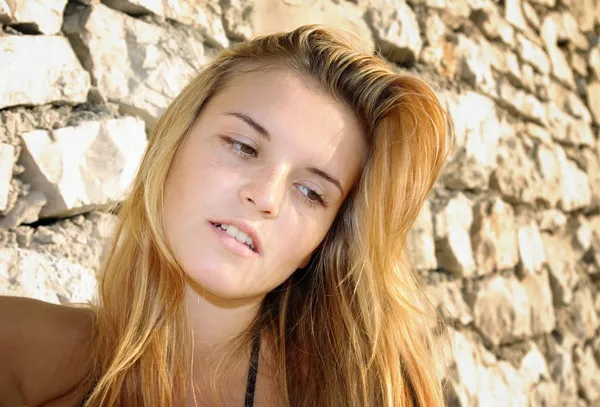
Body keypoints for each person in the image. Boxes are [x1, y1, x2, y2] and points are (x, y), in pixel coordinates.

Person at [0, 24, 452, 406]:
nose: (266, 196)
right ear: (172, 143)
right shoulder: (17, 348)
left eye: (311, 192)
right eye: (243, 146)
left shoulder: (361, 391)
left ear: (319, 244)